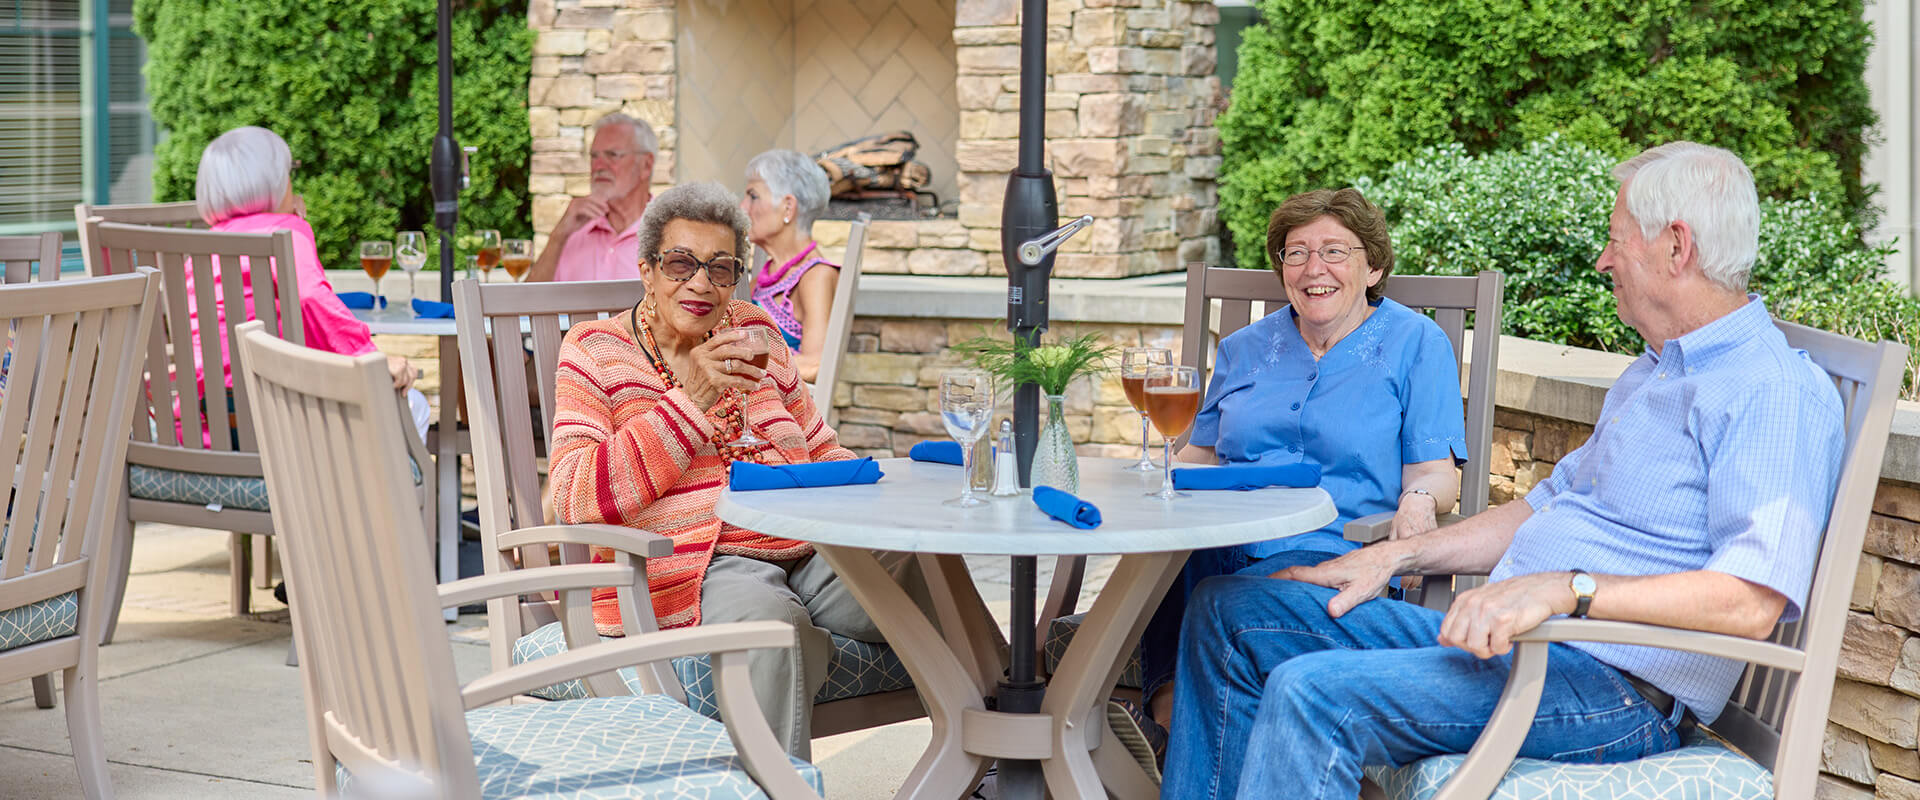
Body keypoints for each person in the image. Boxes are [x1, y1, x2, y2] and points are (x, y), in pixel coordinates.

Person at [1160, 141, 1846, 799]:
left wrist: (1564, 589)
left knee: (1309, 692)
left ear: (1677, 246)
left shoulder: (1768, 390)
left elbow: (1751, 602)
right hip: (1520, 651)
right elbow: (1538, 507)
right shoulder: (1653, 375)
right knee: (1229, 611)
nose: (1604, 261)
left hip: (1604, 688)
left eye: (1617, 240)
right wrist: (1392, 558)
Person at [546, 182, 924, 759]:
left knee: (923, 570)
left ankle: (998, 753)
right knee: (768, 630)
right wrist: (690, 401)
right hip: (694, 562)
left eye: (721, 269)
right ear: (647, 270)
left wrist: (878, 504)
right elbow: (574, 496)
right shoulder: (595, 351)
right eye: (681, 264)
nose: (701, 283)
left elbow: (821, 448)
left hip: (805, 543)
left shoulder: (755, 333)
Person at [1121, 188, 1467, 750]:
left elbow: (1434, 472)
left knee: (1216, 589)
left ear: (1373, 265)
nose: (1314, 269)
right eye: (1296, 252)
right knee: (1175, 547)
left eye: (1335, 251)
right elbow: (1198, 455)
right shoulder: (1242, 347)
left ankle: (1166, 730)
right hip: (1219, 536)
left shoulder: (1416, 342)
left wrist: (1419, 503)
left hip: (1325, 547)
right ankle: (1164, 719)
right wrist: (1144, 483)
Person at [193, 126, 429, 440]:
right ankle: (366, 491)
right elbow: (310, 297)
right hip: (282, 427)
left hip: (208, 424)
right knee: (414, 404)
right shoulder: (288, 231)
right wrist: (369, 358)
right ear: (273, 184)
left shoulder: (200, 246)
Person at [741, 149, 839, 383]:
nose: (743, 207)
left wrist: (739, 364)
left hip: (785, 414)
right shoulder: (767, 275)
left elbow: (817, 365)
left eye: (753, 196)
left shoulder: (815, 276)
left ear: (788, 207)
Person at [527, 113, 657, 283]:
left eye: (612, 154)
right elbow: (528, 305)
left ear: (646, 165)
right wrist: (558, 236)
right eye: (594, 156)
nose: (598, 166)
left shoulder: (669, 234)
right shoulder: (572, 233)